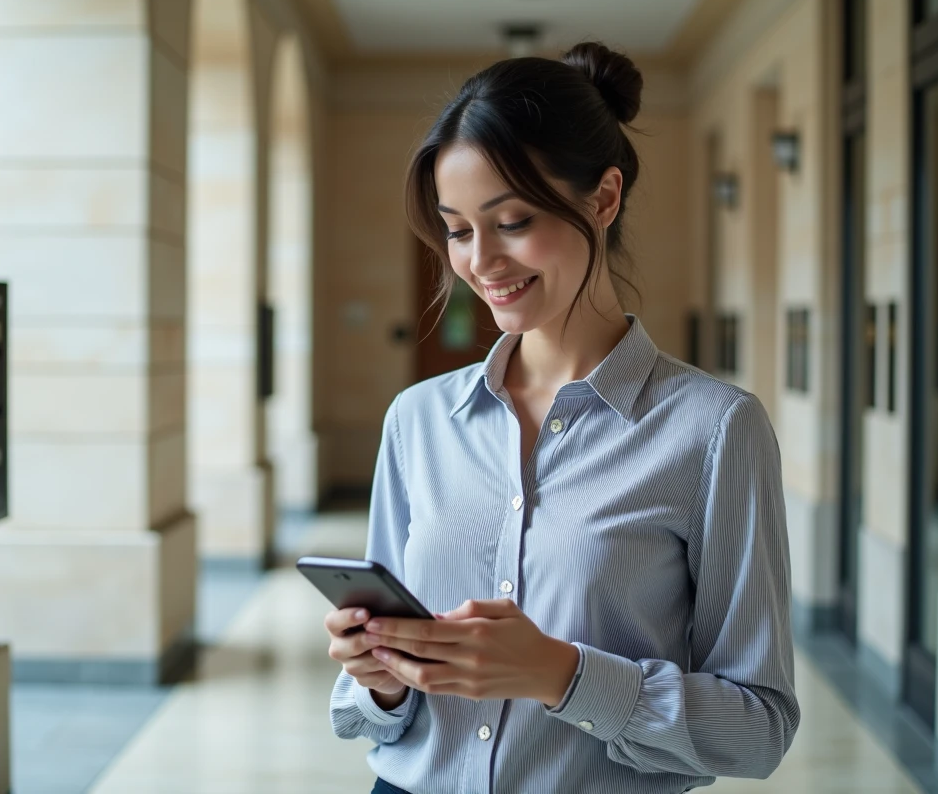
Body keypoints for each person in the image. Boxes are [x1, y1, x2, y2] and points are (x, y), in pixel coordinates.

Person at [324, 41, 799, 794]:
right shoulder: (417, 422)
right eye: (457, 229)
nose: (480, 262)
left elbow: (759, 730)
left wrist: (564, 675)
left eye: (511, 220)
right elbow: (370, 711)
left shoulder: (714, 432)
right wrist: (382, 676)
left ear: (603, 200)